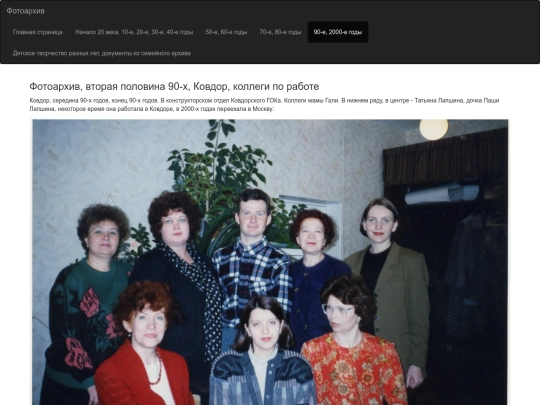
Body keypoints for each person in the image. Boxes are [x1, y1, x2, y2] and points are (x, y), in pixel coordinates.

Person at [129, 191, 223, 404]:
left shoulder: (204, 262)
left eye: (182, 219)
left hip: (206, 362)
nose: (176, 226)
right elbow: (141, 321)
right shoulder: (151, 264)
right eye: (168, 221)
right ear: (159, 228)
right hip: (169, 363)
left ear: (190, 223)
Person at [40, 204, 132, 405]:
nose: (106, 237)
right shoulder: (70, 278)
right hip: (72, 384)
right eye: (98, 231)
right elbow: (65, 335)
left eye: (112, 232)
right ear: (86, 239)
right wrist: (89, 380)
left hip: (111, 377)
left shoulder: (129, 274)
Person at [344, 197, 429, 389]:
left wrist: (417, 363)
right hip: (358, 353)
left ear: (395, 225)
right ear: (364, 224)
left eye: (386, 220)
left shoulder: (412, 262)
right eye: (372, 220)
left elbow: (420, 317)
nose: (378, 226)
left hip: (396, 354)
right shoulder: (350, 263)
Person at [302, 275, 408, 405]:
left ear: (360, 312)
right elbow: (302, 398)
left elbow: (398, 400)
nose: (333, 315)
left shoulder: (383, 350)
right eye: (329, 307)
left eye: (341, 309)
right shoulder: (312, 349)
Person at [213, 188, 292, 352]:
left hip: (262, 338)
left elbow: (281, 311)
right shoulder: (220, 257)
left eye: (260, 214)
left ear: (268, 219)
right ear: (237, 217)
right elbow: (212, 306)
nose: (253, 219)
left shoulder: (279, 260)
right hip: (225, 338)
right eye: (247, 213)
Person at [95, 281, 195, 405]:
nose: (152, 325)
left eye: (159, 317)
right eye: (143, 317)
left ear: (165, 325)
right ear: (127, 325)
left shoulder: (178, 363)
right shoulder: (109, 373)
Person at [210, 296, 316, 405]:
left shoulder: (298, 368)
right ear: (248, 329)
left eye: (272, 322)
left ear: (281, 326)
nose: (265, 330)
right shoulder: (226, 367)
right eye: (257, 324)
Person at [288, 209, 351, 351]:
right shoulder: (288, 270)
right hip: (292, 350)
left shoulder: (339, 270)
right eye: (305, 231)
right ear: (298, 239)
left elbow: (345, 315)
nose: (311, 236)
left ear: (324, 240)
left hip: (326, 349)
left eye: (318, 231)